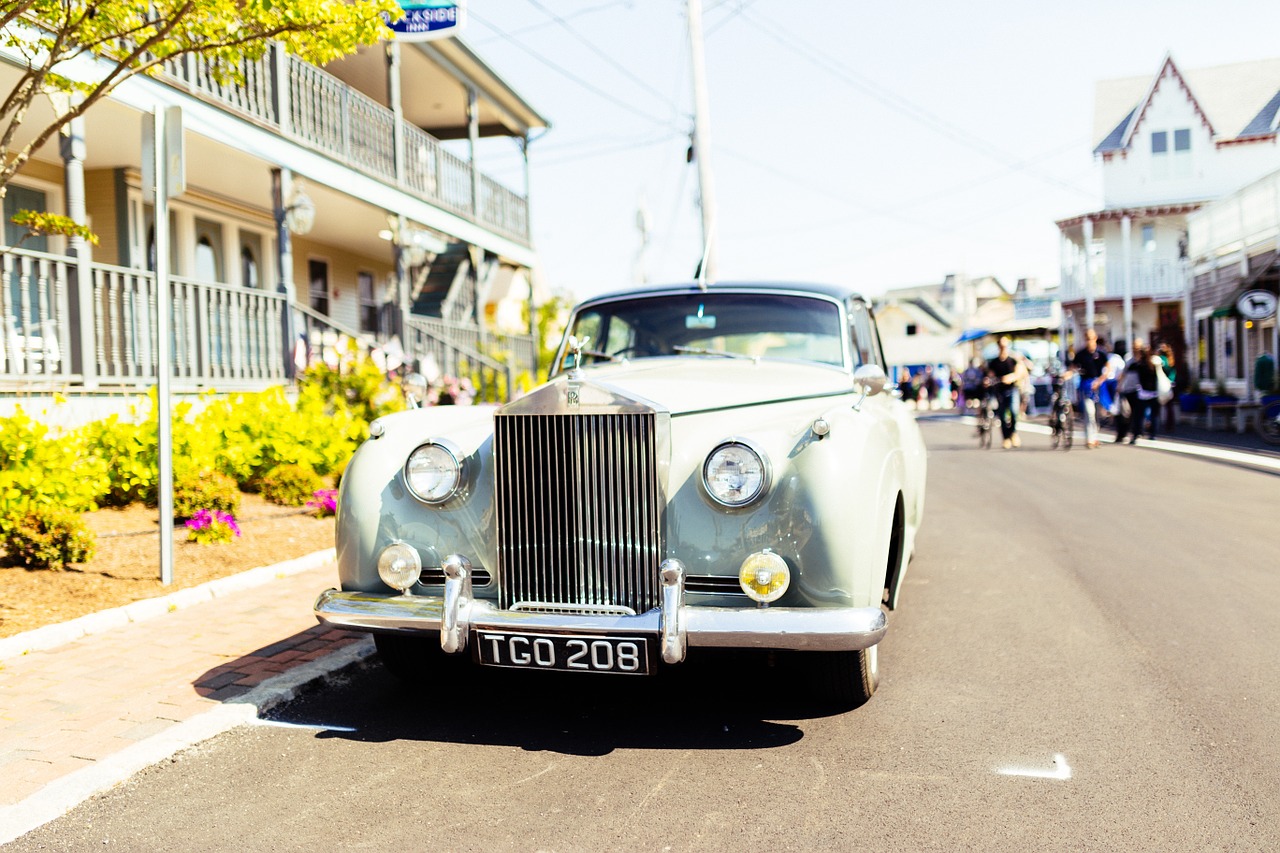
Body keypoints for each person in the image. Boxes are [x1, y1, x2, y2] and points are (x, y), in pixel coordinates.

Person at [1069, 329, 1110, 449]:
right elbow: (1073, 367)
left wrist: (1100, 380)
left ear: (1095, 338)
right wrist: (1067, 374)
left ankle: (1095, 436)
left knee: (1098, 414)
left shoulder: (1101, 353)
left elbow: (1108, 368)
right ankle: (1089, 439)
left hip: (1099, 386)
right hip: (1086, 386)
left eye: (1091, 338)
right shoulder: (1081, 354)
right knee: (1089, 412)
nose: (1089, 341)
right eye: (1087, 338)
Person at [987, 336, 1026, 449]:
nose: (1003, 348)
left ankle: (1013, 433)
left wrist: (1011, 377)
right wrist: (988, 380)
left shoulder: (1012, 360)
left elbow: (1019, 372)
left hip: (1012, 389)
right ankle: (1006, 438)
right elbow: (990, 374)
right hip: (1000, 390)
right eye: (1001, 346)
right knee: (1002, 415)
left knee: (1014, 412)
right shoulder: (994, 362)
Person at [1119, 339, 1160, 443]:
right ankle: (1150, 434)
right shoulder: (1154, 362)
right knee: (1148, 415)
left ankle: (1138, 433)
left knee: (1139, 415)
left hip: (1142, 393)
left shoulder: (1140, 364)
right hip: (1149, 392)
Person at [1156, 343, 1178, 432]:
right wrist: (1171, 380)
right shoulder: (1171, 360)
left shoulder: (1161, 360)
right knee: (1169, 407)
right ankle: (1170, 425)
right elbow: (1173, 373)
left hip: (1161, 384)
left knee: (1157, 405)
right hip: (1170, 384)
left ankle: (1155, 424)